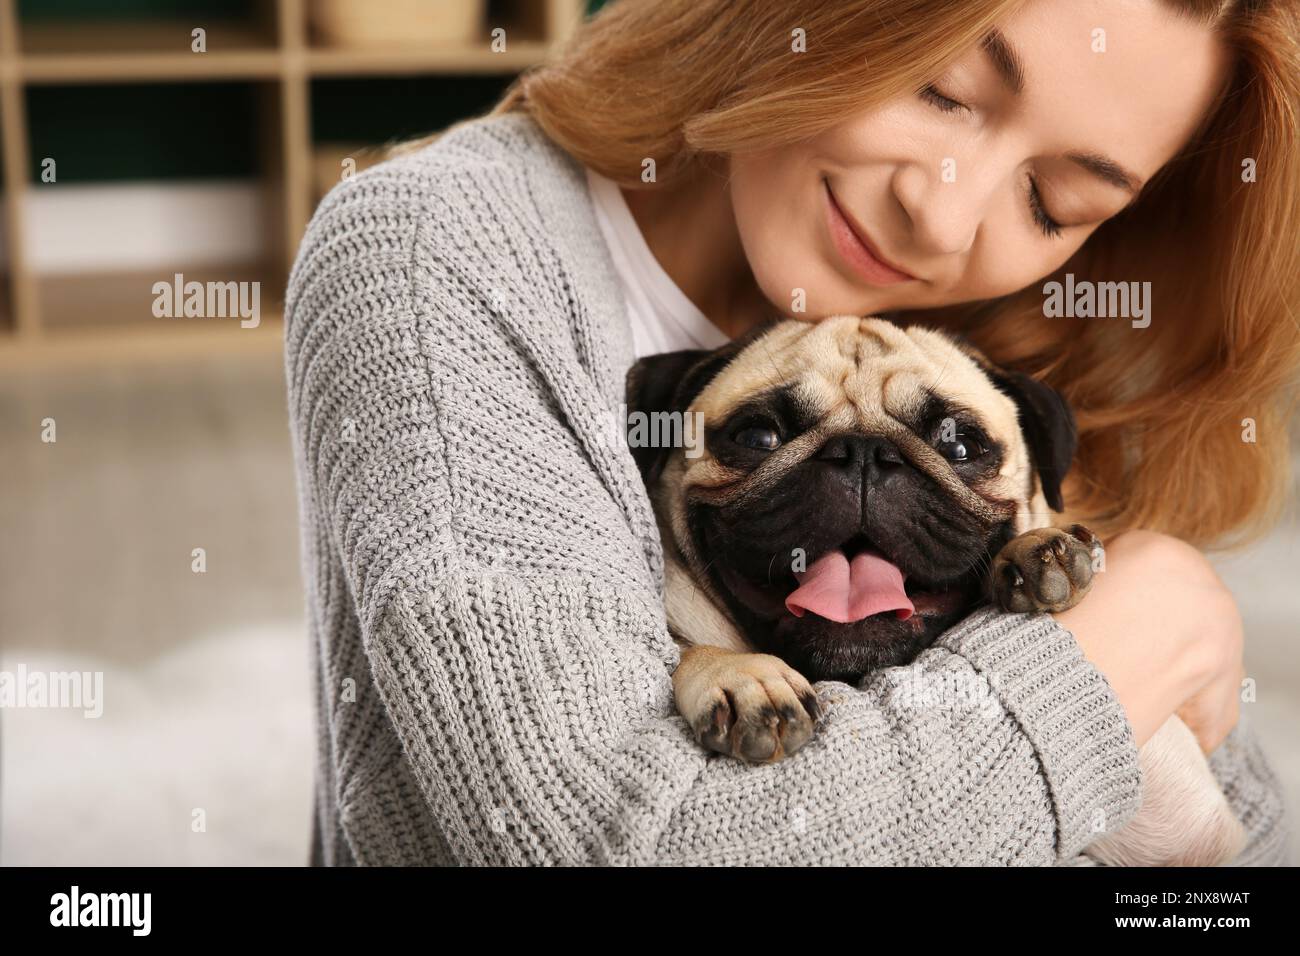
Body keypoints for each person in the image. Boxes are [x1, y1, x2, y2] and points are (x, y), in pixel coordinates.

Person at [284, 0, 1296, 865]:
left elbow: (1225, 844)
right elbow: (608, 839)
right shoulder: (437, 255)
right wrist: (1094, 674)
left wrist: (1153, 638)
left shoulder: (1011, 341)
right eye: (939, 90)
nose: (940, 220)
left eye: (1051, 200)